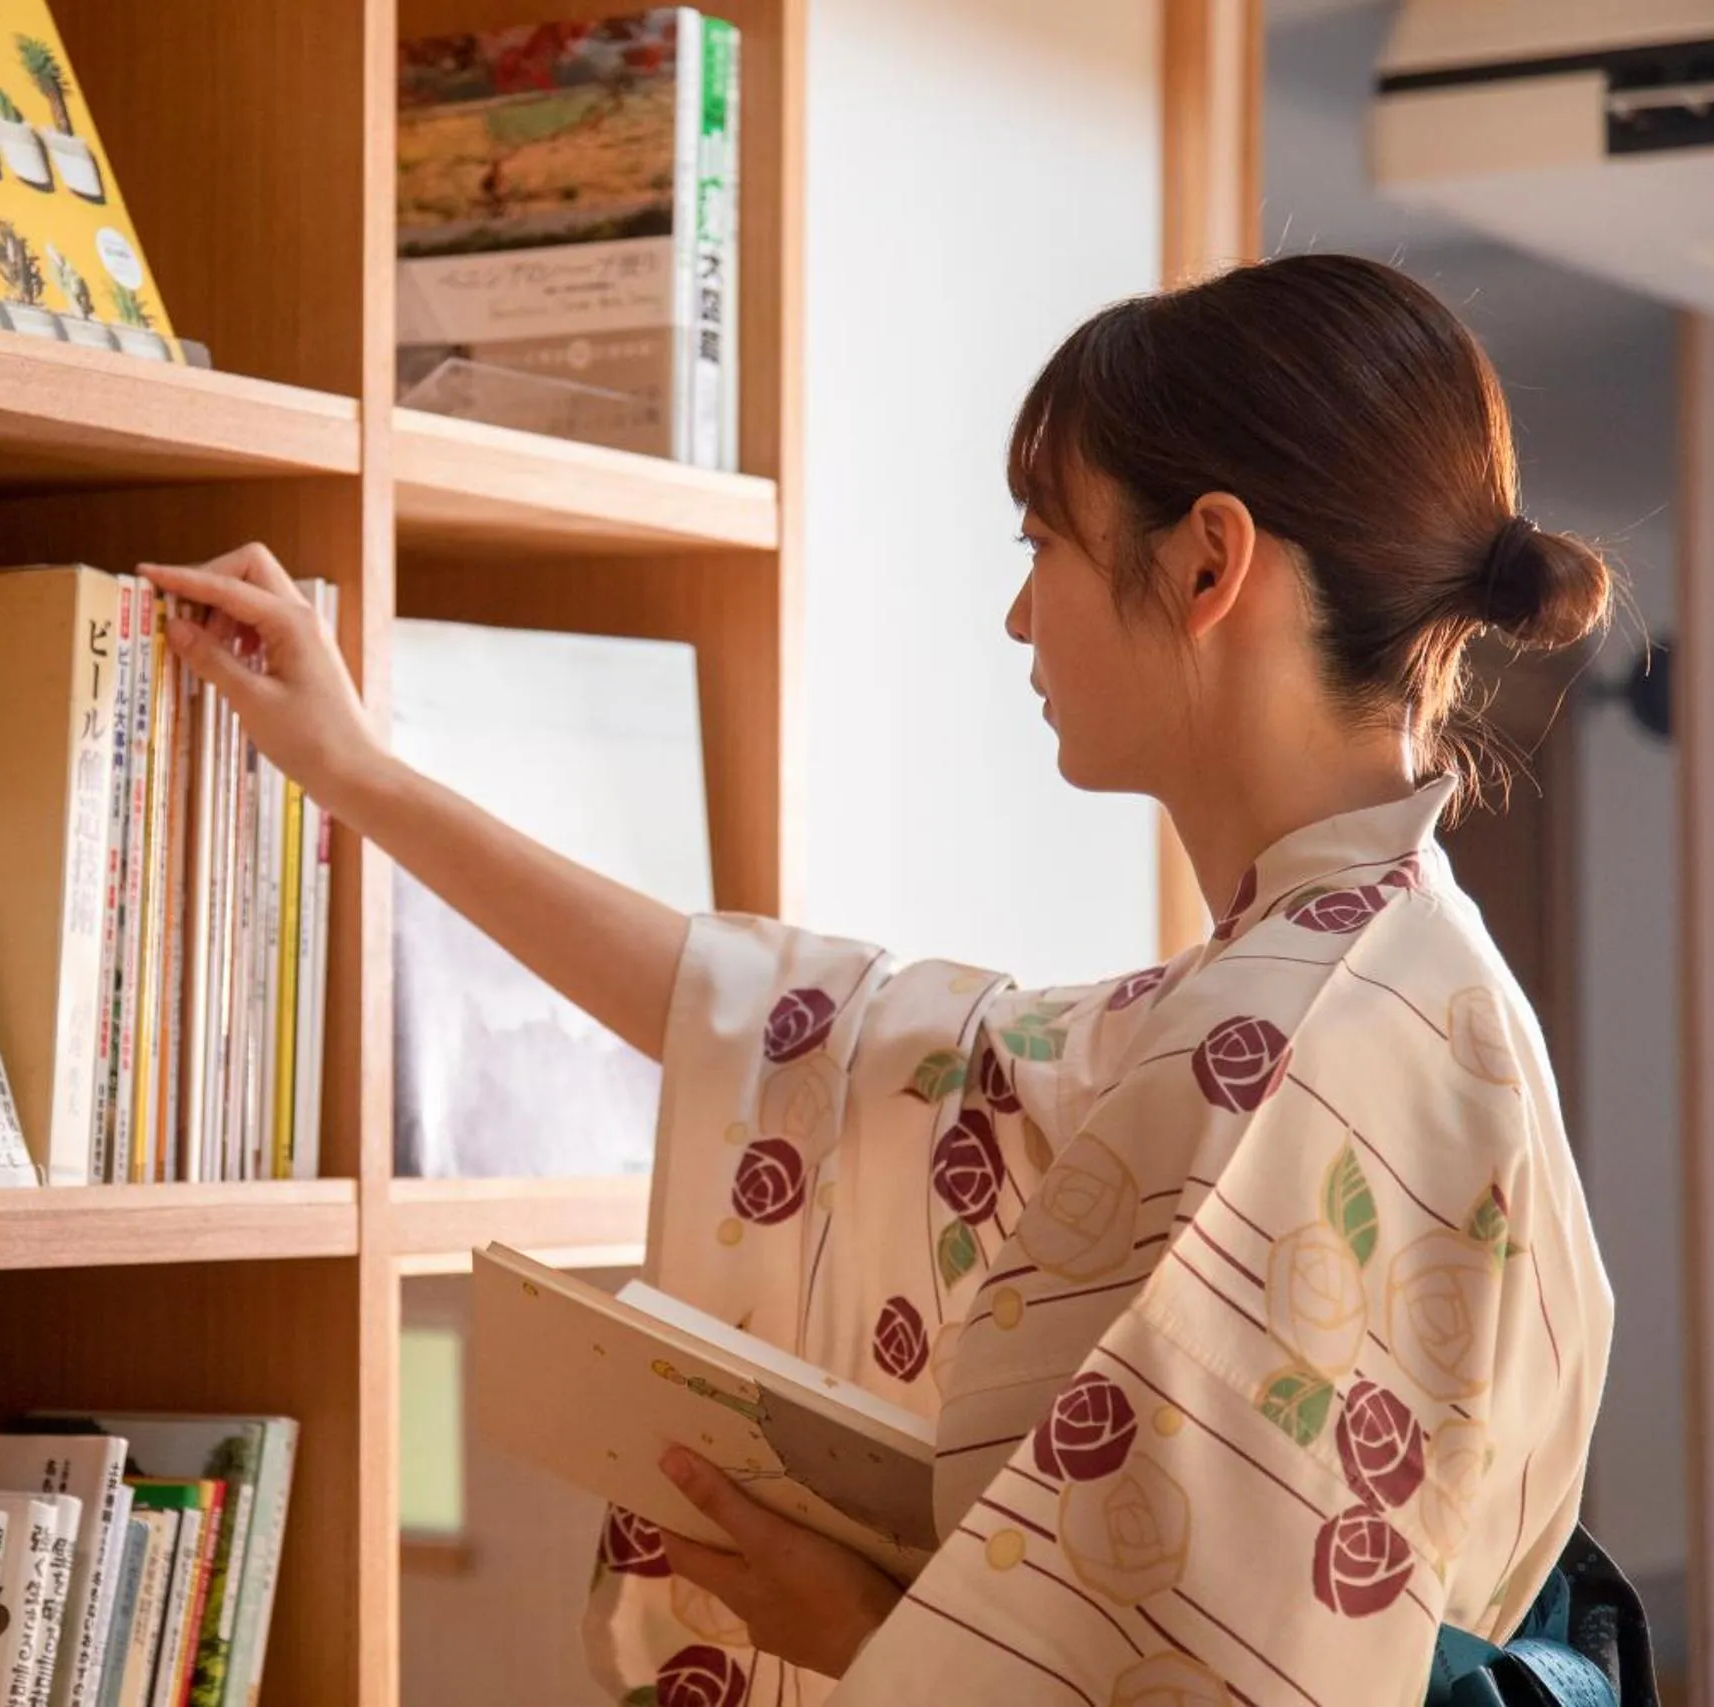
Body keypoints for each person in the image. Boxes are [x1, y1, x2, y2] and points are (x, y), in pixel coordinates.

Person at [143, 252, 1615, 1704]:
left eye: (1042, 541)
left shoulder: (1307, 1042)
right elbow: (818, 1032)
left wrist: (865, 1627)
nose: (1020, 615)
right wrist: (352, 770)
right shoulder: (1350, 990)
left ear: (1207, 561)